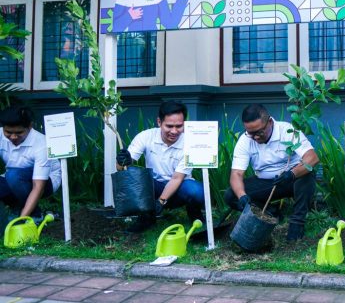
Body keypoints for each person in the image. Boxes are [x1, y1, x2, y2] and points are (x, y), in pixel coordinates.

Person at [225, 104, 319, 241]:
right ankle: (272, 212)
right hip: (266, 183)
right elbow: (236, 174)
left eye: (259, 132)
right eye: (251, 133)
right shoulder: (245, 140)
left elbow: (312, 158)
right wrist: (242, 196)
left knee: (307, 175)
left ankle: (297, 222)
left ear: (269, 122)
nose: (255, 137)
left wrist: (291, 174)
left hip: (291, 179)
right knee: (231, 195)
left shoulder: (288, 131)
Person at [116, 101, 205, 231]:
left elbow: (177, 178)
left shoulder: (189, 143)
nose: (174, 131)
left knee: (196, 191)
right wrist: (121, 161)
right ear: (159, 122)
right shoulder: (146, 136)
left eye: (179, 126)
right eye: (169, 126)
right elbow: (121, 170)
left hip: (179, 187)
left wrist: (161, 201)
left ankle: (195, 214)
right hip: (154, 186)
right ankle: (146, 217)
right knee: (132, 174)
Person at [0, 104, 61, 219]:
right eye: (8, 132)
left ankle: (33, 215)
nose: (13, 137)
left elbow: (38, 186)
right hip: (11, 177)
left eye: (19, 133)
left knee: (14, 176)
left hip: (46, 181)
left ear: (30, 126)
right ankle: (16, 207)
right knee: (12, 176)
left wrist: (22, 219)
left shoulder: (41, 144)